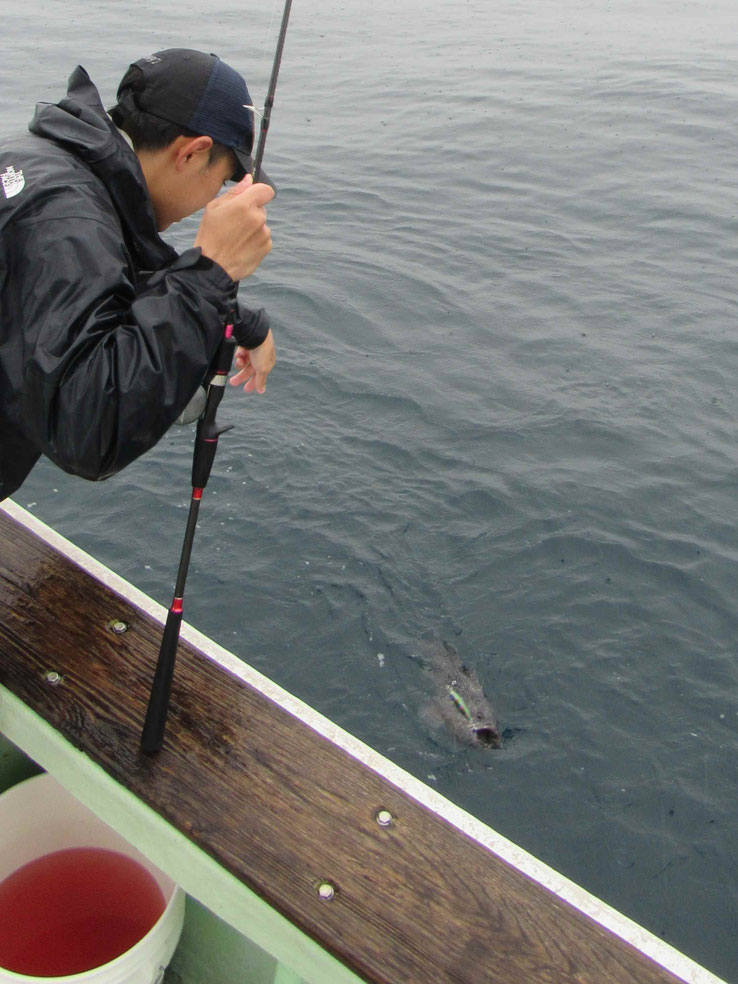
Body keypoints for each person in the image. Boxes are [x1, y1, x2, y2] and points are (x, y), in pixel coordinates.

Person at [0, 48, 277, 502]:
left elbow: (100, 278)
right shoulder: (70, 222)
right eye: (223, 180)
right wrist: (212, 270)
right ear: (192, 153)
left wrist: (237, 318)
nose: (213, 197)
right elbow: (89, 431)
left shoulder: (49, 166)